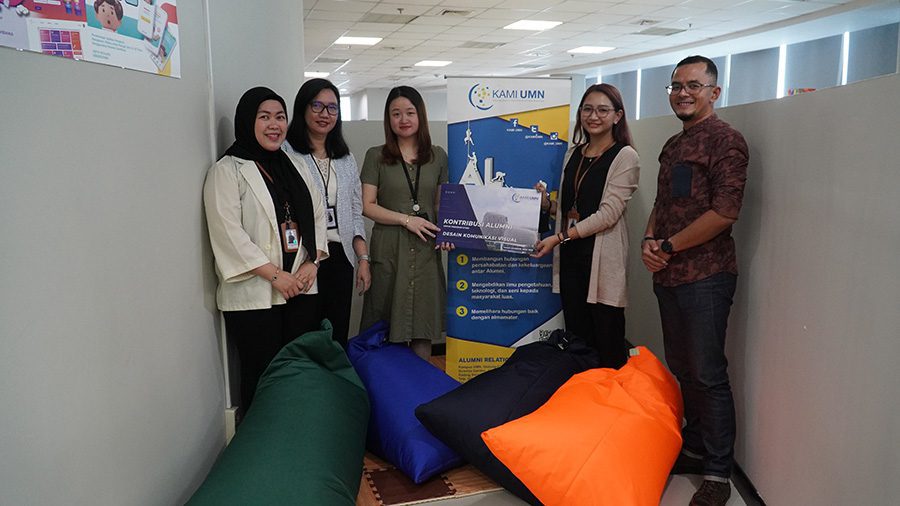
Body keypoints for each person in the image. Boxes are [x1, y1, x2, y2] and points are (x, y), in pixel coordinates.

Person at [641, 55, 749, 506]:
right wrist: (650, 240)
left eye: (693, 85)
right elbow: (662, 204)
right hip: (669, 276)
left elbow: (725, 212)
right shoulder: (672, 145)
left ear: (714, 92)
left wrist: (668, 246)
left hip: (706, 276)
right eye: (676, 86)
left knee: (708, 375)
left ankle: (718, 474)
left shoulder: (727, 141)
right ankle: (696, 446)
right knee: (684, 369)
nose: (682, 93)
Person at [203, 87, 328, 417]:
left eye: (280, 117)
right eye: (264, 117)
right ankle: (261, 440)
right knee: (261, 375)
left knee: (298, 371)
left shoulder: (295, 167)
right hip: (255, 296)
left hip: (300, 288)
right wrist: (275, 276)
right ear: (248, 121)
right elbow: (228, 233)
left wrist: (313, 262)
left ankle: (295, 433)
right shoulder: (227, 171)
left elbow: (317, 215)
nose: (274, 125)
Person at [532, 83, 639, 369]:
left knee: (608, 344)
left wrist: (559, 237)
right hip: (571, 260)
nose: (594, 116)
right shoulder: (573, 154)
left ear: (617, 116)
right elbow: (571, 210)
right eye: (587, 109)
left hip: (602, 263)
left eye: (603, 110)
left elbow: (608, 214)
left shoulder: (625, 156)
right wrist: (547, 205)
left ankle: (612, 396)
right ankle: (585, 395)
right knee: (578, 344)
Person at [360, 86, 452, 361]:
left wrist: (448, 232)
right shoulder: (376, 156)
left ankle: (419, 385)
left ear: (420, 115)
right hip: (390, 250)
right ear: (388, 119)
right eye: (396, 113)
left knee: (423, 327)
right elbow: (367, 205)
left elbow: (440, 205)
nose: (403, 119)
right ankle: (391, 384)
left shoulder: (437, 156)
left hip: (425, 251)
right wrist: (406, 220)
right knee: (388, 325)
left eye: (410, 112)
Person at [284, 78, 371, 348]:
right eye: (317, 106)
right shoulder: (287, 154)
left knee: (337, 334)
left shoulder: (345, 158)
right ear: (303, 108)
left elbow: (355, 211)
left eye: (332, 108)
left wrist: (363, 258)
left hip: (341, 257)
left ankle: (336, 377)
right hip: (305, 258)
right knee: (305, 334)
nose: (325, 114)